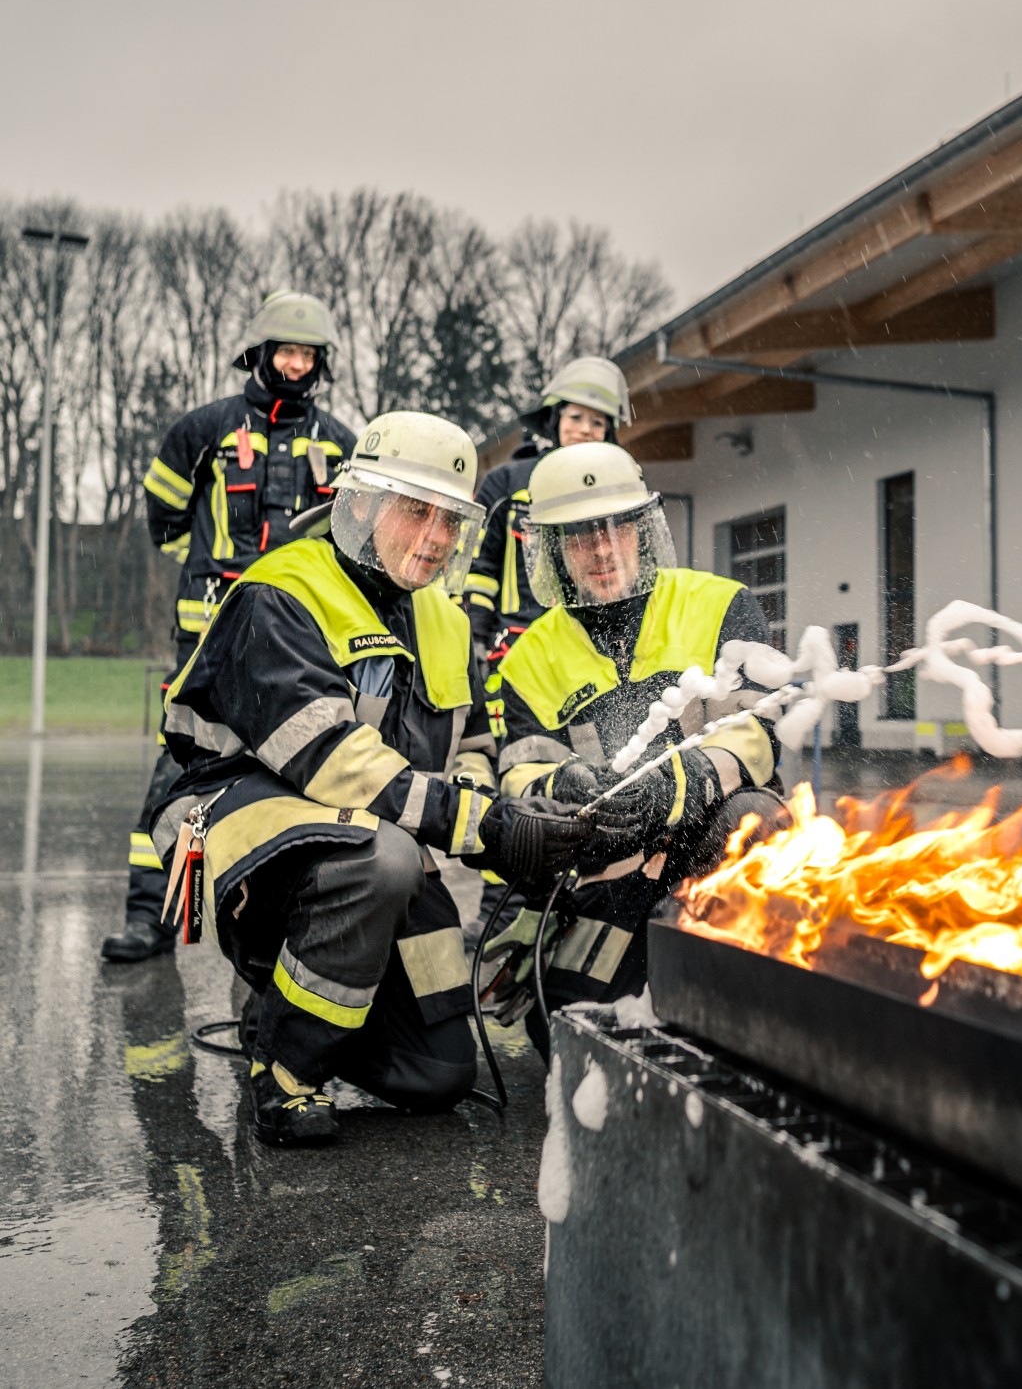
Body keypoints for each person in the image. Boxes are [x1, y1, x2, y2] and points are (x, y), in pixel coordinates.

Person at [152, 411, 595, 1145]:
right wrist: (481, 827)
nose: (435, 538)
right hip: (242, 835)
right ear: (360, 504)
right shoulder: (282, 592)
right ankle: (287, 1074)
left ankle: (288, 1008)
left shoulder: (445, 621)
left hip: (366, 835)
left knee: (438, 1074)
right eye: (415, 511)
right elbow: (332, 757)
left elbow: (472, 746)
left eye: (450, 520)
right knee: (382, 860)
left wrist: (522, 817)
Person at [479, 442, 787, 1054]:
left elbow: (756, 735)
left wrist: (679, 784)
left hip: (708, 840)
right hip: (607, 866)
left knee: (752, 820)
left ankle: (753, 1006)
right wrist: (558, 785)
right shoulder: (529, 658)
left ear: (643, 530)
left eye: (617, 527)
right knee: (568, 1030)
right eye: (579, 536)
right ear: (550, 550)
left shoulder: (721, 604)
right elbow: (518, 775)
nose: (601, 550)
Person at [104, 291, 356, 962]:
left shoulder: (341, 444)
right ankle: (152, 919)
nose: (296, 364)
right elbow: (163, 517)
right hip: (209, 642)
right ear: (260, 353)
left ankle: (303, 928)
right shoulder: (203, 429)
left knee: (311, 770)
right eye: (286, 351)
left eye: (308, 354)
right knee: (183, 772)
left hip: (302, 641)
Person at [459, 358, 631, 946]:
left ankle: (579, 900)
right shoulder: (509, 484)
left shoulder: (617, 486)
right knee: (517, 772)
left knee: (585, 775)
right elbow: (480, 570)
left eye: (597, 421)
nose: (584, 429)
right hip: (514, 652)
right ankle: (499, 909)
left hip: (581, 653)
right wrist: (476, 638)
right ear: (554, 418)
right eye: (576, 417)